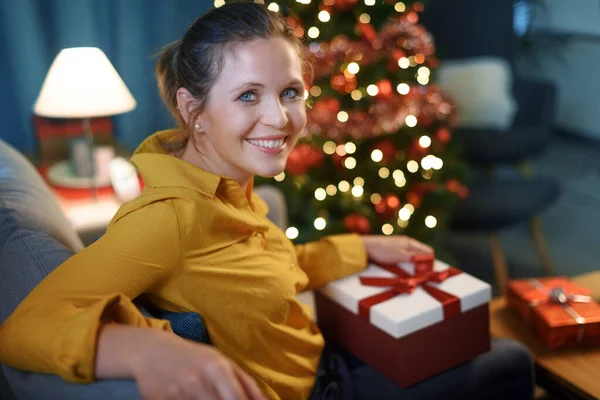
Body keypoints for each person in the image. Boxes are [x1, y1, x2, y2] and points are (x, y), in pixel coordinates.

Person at [0, 3, 535, 400]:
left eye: (290, 93)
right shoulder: (170, 218)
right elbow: (23, 329)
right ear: (193, 109)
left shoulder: (228, 179)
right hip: (312, 393)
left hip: (320, 360)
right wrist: (146, 350)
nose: (280, 120)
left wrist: (362, 247)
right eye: (248, 95)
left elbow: (274, 265)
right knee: (508, 359)